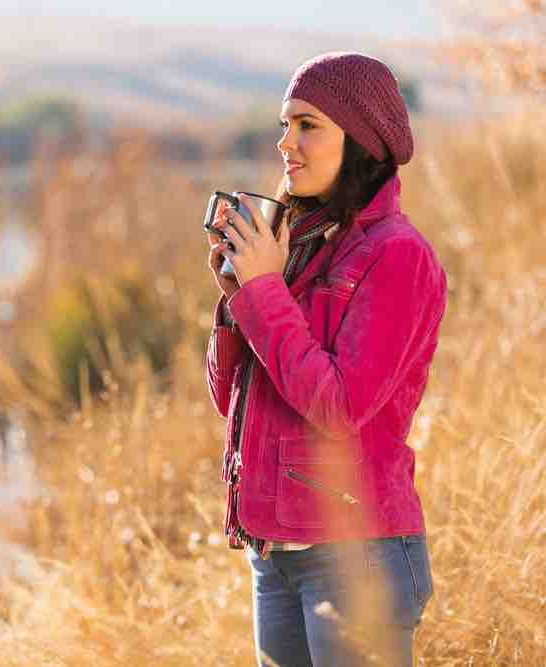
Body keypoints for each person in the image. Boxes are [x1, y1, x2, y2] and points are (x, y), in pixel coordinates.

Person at [204, 52, 447, 666]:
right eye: (284, 124)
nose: (286, 142)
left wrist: (264, 293)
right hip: (277, 554)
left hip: (355, 555)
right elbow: (233, 401)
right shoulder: (302, 247)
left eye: (308, 124)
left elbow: (340, 406)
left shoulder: (397, 256)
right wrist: (241, 297)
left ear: (361, 140)